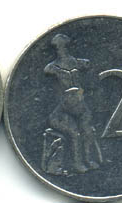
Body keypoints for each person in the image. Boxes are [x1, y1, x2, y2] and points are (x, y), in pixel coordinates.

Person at [43, 34, 103, 174]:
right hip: (61, 112)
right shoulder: (52, 67)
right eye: (58, 47)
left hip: (79, 106)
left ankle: (88, 159)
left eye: (63, 47)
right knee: (75, 134)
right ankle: (77, 164)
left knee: (87, 131)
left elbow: (87, 64)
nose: (61, 50)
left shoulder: (78, 63)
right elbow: (47, 71)